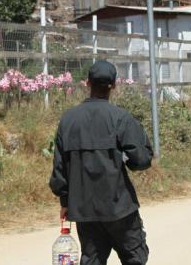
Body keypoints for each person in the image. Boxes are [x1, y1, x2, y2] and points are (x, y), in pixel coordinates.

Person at [49, 60, 154, 265]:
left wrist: (65, 202)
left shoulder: (68, 120)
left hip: (84, 211)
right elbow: (141, 160)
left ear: (88, 83)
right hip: (120, 208)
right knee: (135, 258)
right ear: (114, 85)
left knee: (92, 260)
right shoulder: (121, 118)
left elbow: (59, 171)